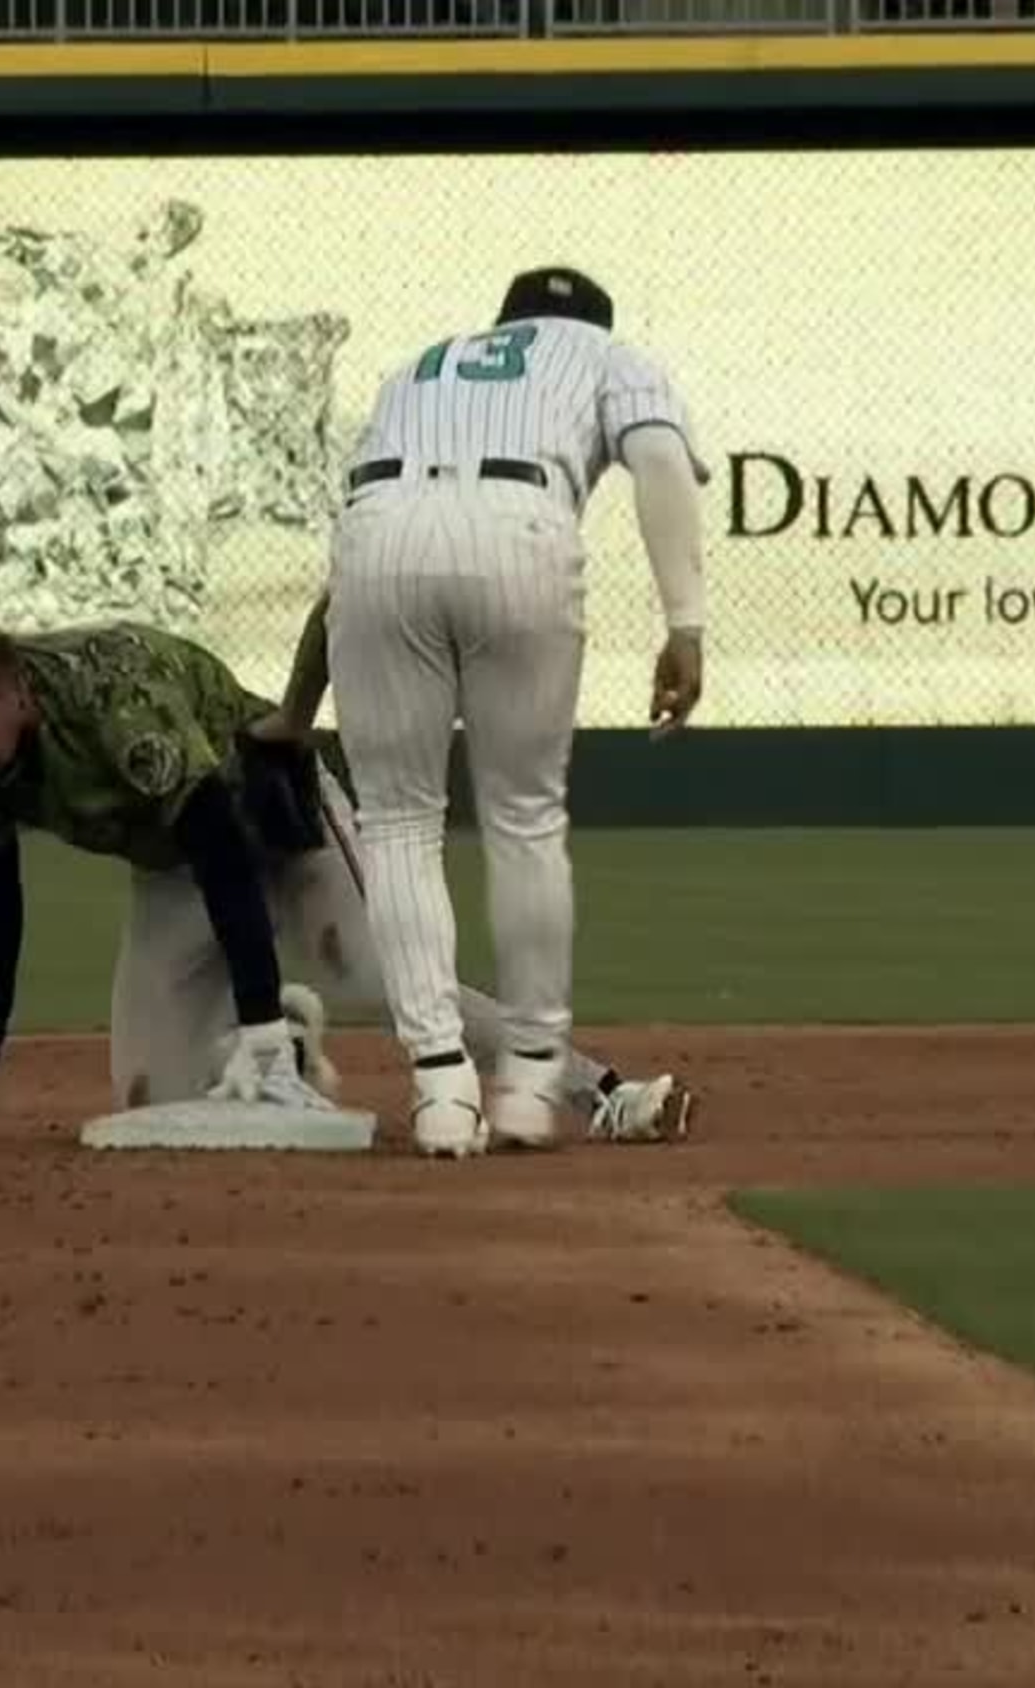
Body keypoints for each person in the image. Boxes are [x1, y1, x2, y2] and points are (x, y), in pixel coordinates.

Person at [0, 618, 694, 1149]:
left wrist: (256, 1021)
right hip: (176, 869)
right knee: (153, 1105)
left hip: (275, 822)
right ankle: (296, 1050)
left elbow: (223, 842)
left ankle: (604, 1093)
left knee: (383, 980)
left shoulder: (111, 698)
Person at [323, 264, 709, 1157]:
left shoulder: (418, 366)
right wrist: (685, 625)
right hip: (518, 523)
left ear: (504, 323)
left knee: (398, 823)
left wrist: (300, 701)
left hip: (377, 530)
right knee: (524, 817)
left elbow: (351, 536)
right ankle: (531, 1087)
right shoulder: (614, 355)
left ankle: (440, 1092)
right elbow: (659, 462)